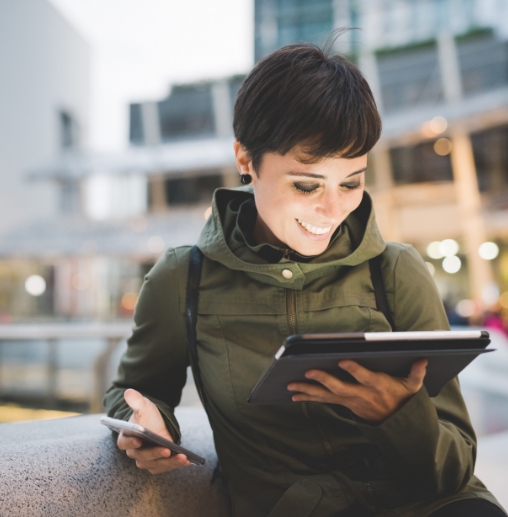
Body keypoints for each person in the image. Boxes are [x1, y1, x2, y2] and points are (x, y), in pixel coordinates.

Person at [104, 43, 506, 517]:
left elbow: (454, 468)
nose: (332, 209)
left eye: (351, 183)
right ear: (245, 159)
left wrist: (397, 415)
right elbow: (134, 391)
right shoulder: (182, 279)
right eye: (306, 184)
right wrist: (142, 421)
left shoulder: (396, 270)